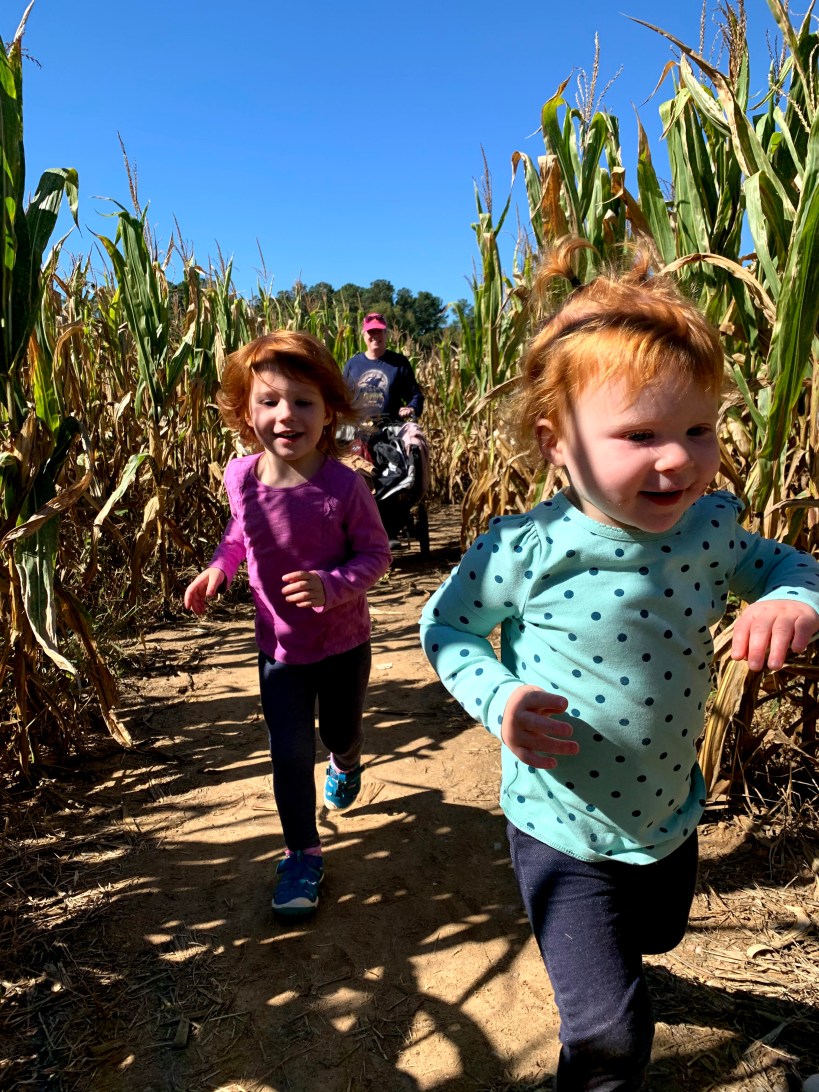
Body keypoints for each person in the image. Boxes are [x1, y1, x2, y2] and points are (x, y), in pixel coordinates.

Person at [419, 238, 819, 1091]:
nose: (676, 458)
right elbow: (446, 628)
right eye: (639, 435)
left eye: (697, 430)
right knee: (608, 1037)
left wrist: (790, 600)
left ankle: (619, 966)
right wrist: (500, 700)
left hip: (668, 811)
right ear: (555, 443)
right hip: (559, 823)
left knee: (658, 935)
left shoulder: (710, 530)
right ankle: (604, 1016)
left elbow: (788, 566)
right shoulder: (525, 549)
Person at [184, 331, 391, 919]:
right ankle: (302, 854)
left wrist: (333, 586)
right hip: (278, 650)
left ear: (329, 413)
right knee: (290, 754)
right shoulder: (239, 477)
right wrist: (220, 568)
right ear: (245, 412)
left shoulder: (345, 486)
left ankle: (347, 759)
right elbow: (239, 532)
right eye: (269, 401)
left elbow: (375, 555)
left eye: (304, 401)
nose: (286, 415)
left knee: (340, 732)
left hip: (343, 643)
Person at [343, 311, 424, 421]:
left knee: (414, 432)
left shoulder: (399, 363)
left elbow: (415, 396)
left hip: (392, 426)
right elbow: (343, 398)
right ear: (364, 335)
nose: (376, 335)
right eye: (371, 332)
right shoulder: (353, 364)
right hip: (359, 426)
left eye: (379, 331)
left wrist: (411, 408)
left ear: (386, 334)